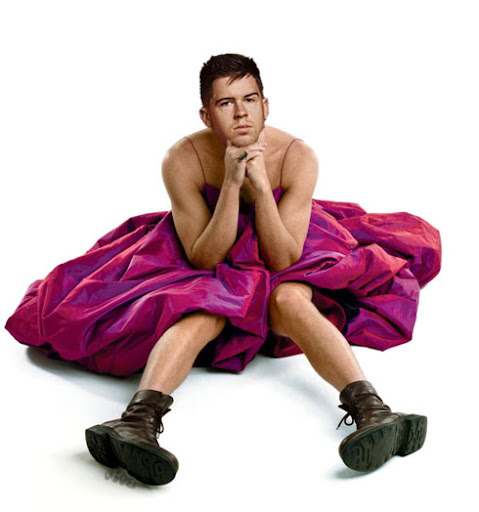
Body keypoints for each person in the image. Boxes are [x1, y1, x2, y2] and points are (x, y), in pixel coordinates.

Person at [5, 54, 441, 485]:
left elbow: (283, 259)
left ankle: (374, 411)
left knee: (289, 298)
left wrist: (262, 189)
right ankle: (136, 422)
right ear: (207, 115)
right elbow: (204, 259)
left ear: (265, 106)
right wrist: (231, 184)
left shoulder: (298, 157)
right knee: (204, 308)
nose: (241, 113)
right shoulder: (182, 158)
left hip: (286, 242)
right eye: (226, 103)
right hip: (208, 242)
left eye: (250, 100)